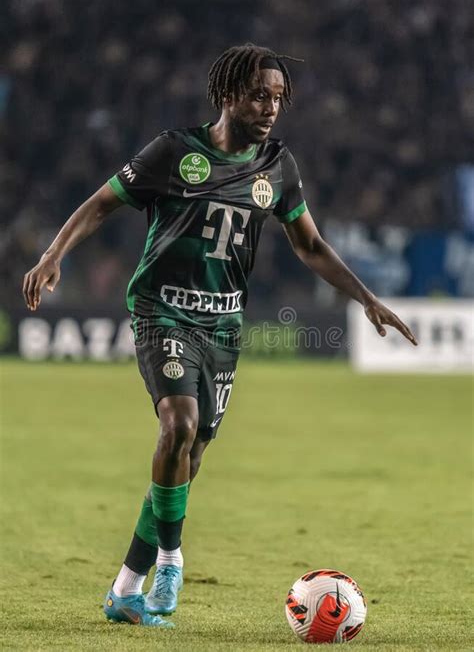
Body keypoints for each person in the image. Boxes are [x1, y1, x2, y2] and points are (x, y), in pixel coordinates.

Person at [22, 43, 417, 628]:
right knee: (177, 425)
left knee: (191, 455)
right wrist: (55, 253)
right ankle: (171, 559)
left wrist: (367, 299)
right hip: (163, 310)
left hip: (225, 323)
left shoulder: (278, 167)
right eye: (260, 94)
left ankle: (126, 587)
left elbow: (308, 244)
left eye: (279, 97)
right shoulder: (174, 152)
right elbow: (104, 203)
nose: (270, 107)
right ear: (228, 95)